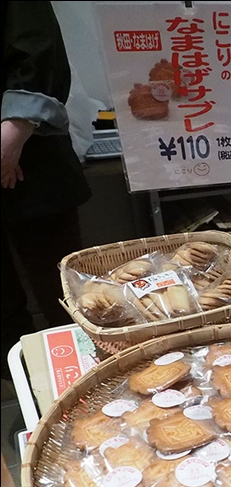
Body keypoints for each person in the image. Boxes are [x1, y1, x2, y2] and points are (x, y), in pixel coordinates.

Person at [2, 1, 91, 378]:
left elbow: (38, 48)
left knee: (63, 296)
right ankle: (26, 396)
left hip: (32, 157)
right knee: (3, 310)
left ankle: (84, 392)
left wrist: (13, 133)